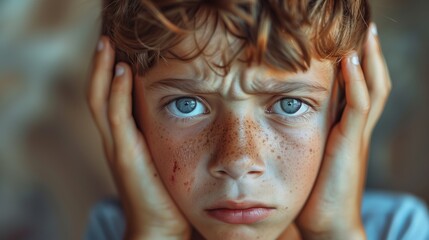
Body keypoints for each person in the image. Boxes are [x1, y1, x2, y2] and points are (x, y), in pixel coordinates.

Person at [85, 0, 429, 239]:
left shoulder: (399, 229)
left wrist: (335, 233)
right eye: (186, 104)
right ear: (128, 113)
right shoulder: (114, 231)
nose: (238, 160)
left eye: (291, 105)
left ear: (345, 110)